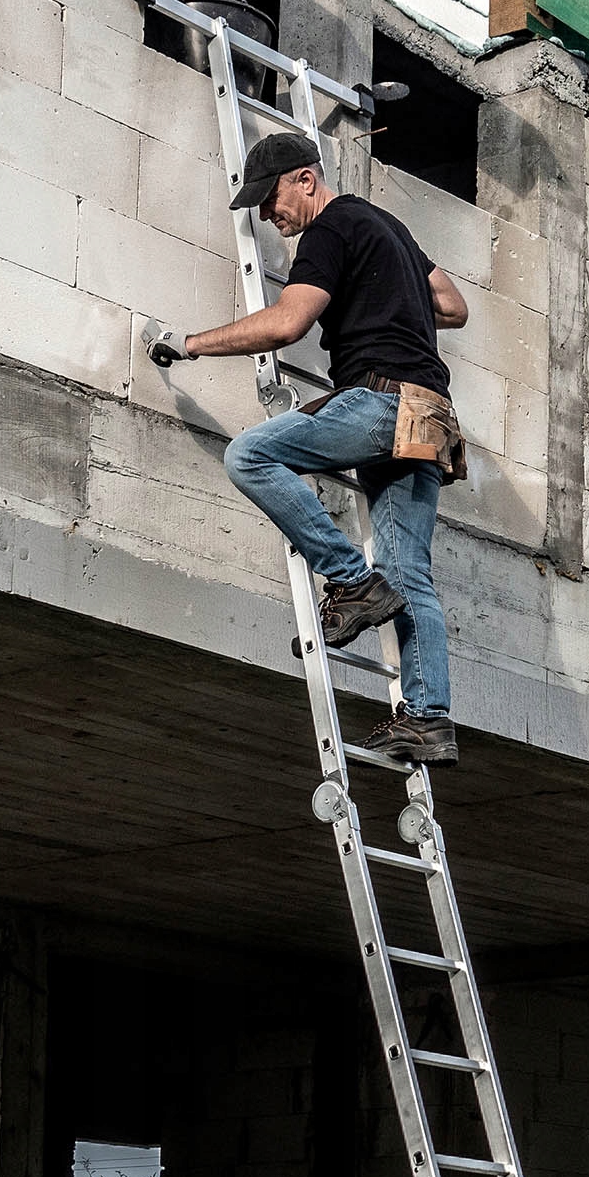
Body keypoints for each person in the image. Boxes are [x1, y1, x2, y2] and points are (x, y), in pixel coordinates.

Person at [141, 130, 469, 766]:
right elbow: (453, 307)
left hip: (381, 401)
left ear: (307, 180)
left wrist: (190, 344)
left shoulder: (330, 229)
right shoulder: (390, 228)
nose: (269, 213)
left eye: (272, 198)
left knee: (250, 456)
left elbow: (289, 323)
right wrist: (379, 293)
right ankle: (428, 720)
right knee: (410, 576)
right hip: (430, 416)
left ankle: (351, 582)